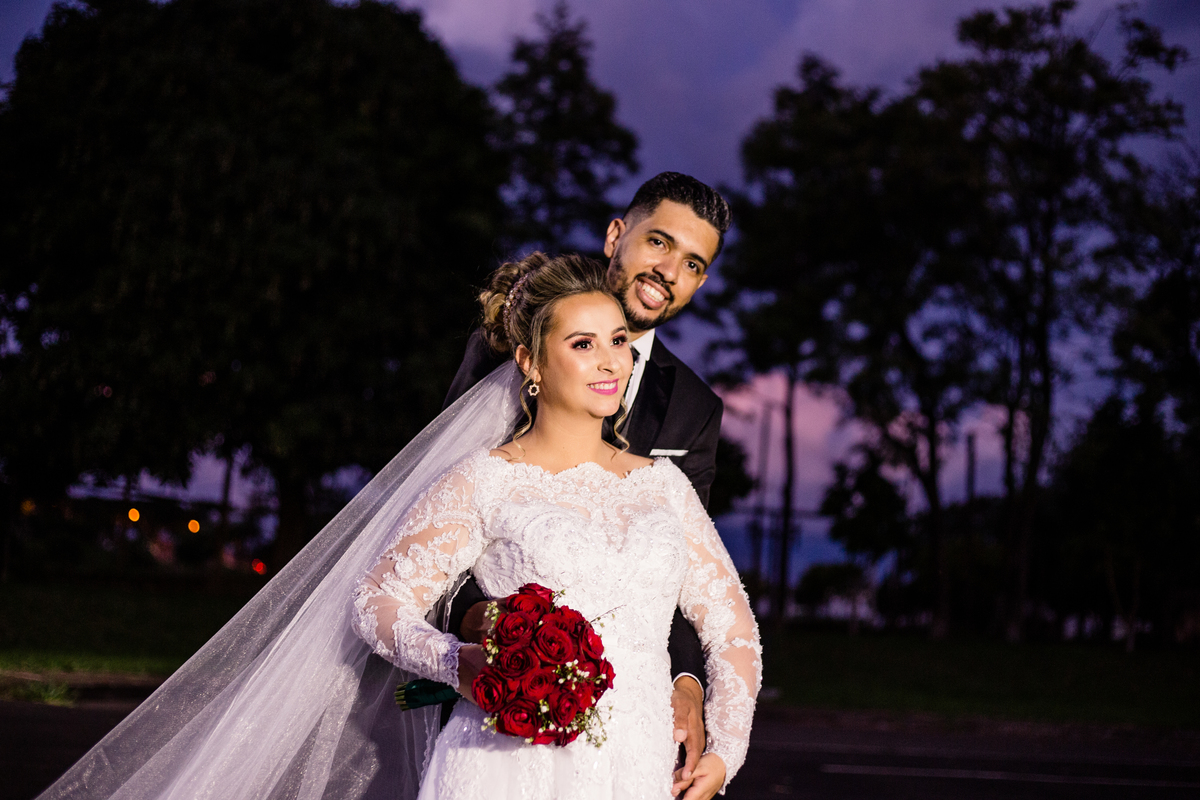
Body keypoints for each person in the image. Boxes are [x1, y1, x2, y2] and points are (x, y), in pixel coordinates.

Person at [353, 253, 760, 799]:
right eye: (583, 344)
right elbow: (376, 601)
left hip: (638, 765)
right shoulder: (486, 479)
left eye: (618, 341)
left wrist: (726, 750)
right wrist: (457, 663)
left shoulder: (664, 487)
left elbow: (733, 630)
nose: (611, 362)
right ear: (531, 362)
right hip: (505, 765)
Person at [439, 173, 732, 783]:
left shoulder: (695, 408)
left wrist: (687, 682)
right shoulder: (511, 348)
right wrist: (482, 625)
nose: (668, 271)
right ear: (616, 235)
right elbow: (439, 507)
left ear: (700, 282)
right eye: (659, 242)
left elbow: (684, 567)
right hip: (502, 703)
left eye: (692, 264)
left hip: (629, 726)